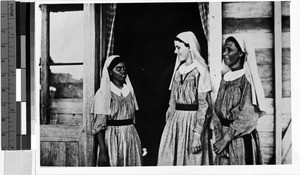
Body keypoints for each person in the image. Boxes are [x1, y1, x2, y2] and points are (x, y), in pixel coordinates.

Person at [157, 31, 213, 166]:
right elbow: (172, 101)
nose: (175, 51)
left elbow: (204, 105)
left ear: (190, 47)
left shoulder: (200, 71)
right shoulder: (178, 71)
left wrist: (197, 134)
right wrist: (170, 124)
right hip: (175, 124)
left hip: (192, 123)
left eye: (178, 47)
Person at [212, 36, 267, 165]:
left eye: (229, 50)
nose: (224, 53)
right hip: (223, 142)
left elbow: (248, 116)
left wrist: (226, 139)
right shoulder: (225, 78)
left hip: (241, 141)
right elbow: (217, 111)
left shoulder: (247, 80)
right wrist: (220, 139)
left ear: (241, 53)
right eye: (224, 49)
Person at [91, 55, 142, 166]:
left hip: (130, 137)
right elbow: (99, 126)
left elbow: (133, 117)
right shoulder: (103, 93)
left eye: (124, 69)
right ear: (110, 72)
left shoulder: (129, 91)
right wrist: (103, 152)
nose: (122, 72)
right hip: (113, 138)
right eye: (118, 69)